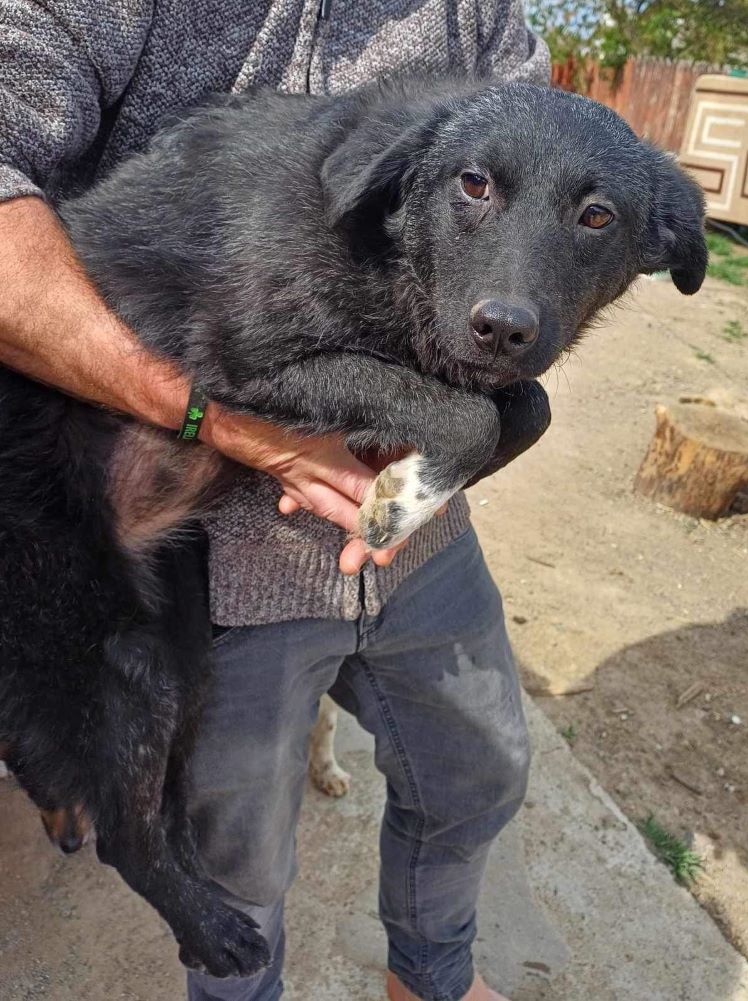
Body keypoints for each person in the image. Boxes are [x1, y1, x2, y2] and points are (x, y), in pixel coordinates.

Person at [0, 4, 550, 1000]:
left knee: (480, 769)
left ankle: (429, 974)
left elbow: (535, 214)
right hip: (194, 510)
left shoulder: (482, 20)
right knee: (237, 853)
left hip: (401, 526)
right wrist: (231, 428)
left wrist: (418, 484)